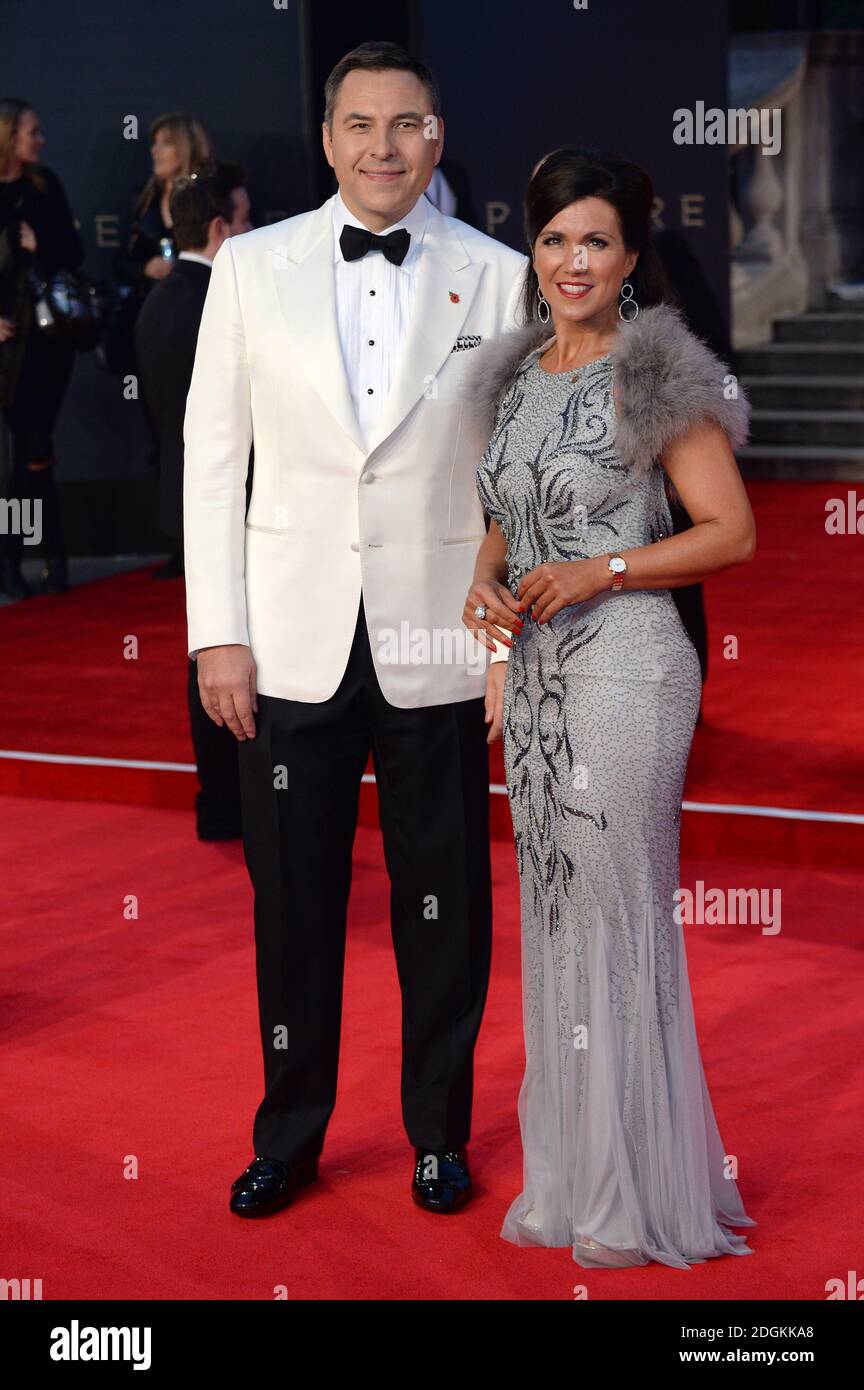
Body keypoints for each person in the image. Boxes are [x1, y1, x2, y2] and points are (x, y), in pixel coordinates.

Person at [182, 42, 526, 1218]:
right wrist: (216, 633)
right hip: (286, 638)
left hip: (439, 633)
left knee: (445, 903)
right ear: (328, 140)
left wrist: (503, 646)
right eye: (361, 125)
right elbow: (212, 457)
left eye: (406, 125)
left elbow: (515, 480)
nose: (383, 146)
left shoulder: (501, 276)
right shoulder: (252, 268)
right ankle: (290, 1132)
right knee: (292, 902)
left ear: (435, 138)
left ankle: (439, 1131)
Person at [461, 147, 757, 1269]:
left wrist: (605, 570)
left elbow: (730, 531)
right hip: (535, 682)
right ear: (531, 251)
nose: (572, 261)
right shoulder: (513, 370)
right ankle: (579, 1177)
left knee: (615, 917)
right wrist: (483, 578)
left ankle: (640, 1194)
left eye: (595, 240)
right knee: (554, 915)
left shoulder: (652, 371)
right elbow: (503, 501)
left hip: (630, 669)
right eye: (553, 240)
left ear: (632, 254)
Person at [135, 160, 253, 841]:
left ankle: (223, 801)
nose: (254, 230)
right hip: (218, 502)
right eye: (244, 219)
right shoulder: (208, 301)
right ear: (219, 228)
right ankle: (226, 801)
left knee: (208, 646)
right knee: (217, 650)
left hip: (187, 498)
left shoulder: (162, 295)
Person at [0, 98, 83, 598]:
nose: (41, 140)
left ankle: (52, 557)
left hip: (47, 342)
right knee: (17, 459)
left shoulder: (45, 185)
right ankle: (15, 560)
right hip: (6, 348)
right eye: (32, 132)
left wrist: (38, 245)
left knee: (36, 451)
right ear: (9, 137)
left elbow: (74, 253)